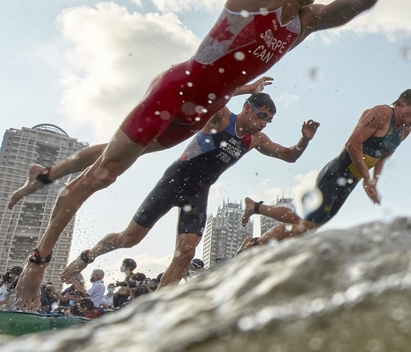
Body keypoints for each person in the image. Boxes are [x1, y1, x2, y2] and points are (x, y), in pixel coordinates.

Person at [11, 0, 411, 309]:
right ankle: (39, 260)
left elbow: (357, 1)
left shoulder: (303, 23)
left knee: (122, 161)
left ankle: (53, 181)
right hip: (177, 89)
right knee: (106, 174)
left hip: (200, 111)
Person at [61, 91, 318, 288]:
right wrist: (246, 87)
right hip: (174, 180)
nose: (264, 124)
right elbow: (212, 93)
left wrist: (304, 140)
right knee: (129, 239)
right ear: (246, 108)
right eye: (262, 116)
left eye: (269, 120)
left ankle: (157, 309)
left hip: (198, 192)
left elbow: (289, 156)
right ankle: (86, 257)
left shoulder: (256, 140)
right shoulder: (222, 117)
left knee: (186, 252)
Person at [239, 89, 411, 252]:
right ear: (402, 102)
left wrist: (374, 181)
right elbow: (352, 144)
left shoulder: (404, 131)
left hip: (351, 179)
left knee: (304, 228)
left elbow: (383, 155)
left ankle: (255, 243)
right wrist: (366, 178)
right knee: (303, 223)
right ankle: (255, 210)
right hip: (338, 172)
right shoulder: (383, 113)